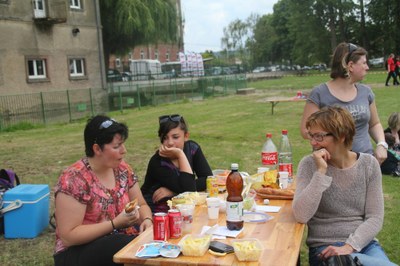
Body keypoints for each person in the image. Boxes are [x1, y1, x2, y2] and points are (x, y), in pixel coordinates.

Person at [293, 106, 396, 266]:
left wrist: (350, 246)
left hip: (364, 245)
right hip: (325, 248)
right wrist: (320, 173)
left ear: (341, 136)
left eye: (319, 137)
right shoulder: (309, 165)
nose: (313, 142)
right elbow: (301, 215)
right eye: (311, 136)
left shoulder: (369, 165)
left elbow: (375, 218)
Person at [53, 115, 153, 266]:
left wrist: (146, 220)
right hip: (77, 252)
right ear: (97, 149)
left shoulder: (123, 169)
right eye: (116, 146)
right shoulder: (74, 179)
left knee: (141, 241)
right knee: (120, 244)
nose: (123, 150)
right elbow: (69, 236)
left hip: (120, 240)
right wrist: (115, 224)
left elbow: (142, 205)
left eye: (123, 144)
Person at [300, 42, 387, 165]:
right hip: (333, 165)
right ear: (350, 65)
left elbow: (374, 124)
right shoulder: (319, 94)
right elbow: (305, 130)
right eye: (364, 63)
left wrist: (382, 144)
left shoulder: (365, 92)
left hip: (365, 163)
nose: (367, 67)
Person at [141, 114, 212, 213]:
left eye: (175, 137)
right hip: (157, 213)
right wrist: (180, 154)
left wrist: (173, 192)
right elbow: (189, 191)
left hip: (182, 209)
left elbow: (208, 180)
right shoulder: (157, 162)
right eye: (165, 138)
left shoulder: (192, 149)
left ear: (186, 136)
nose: (170, 142)